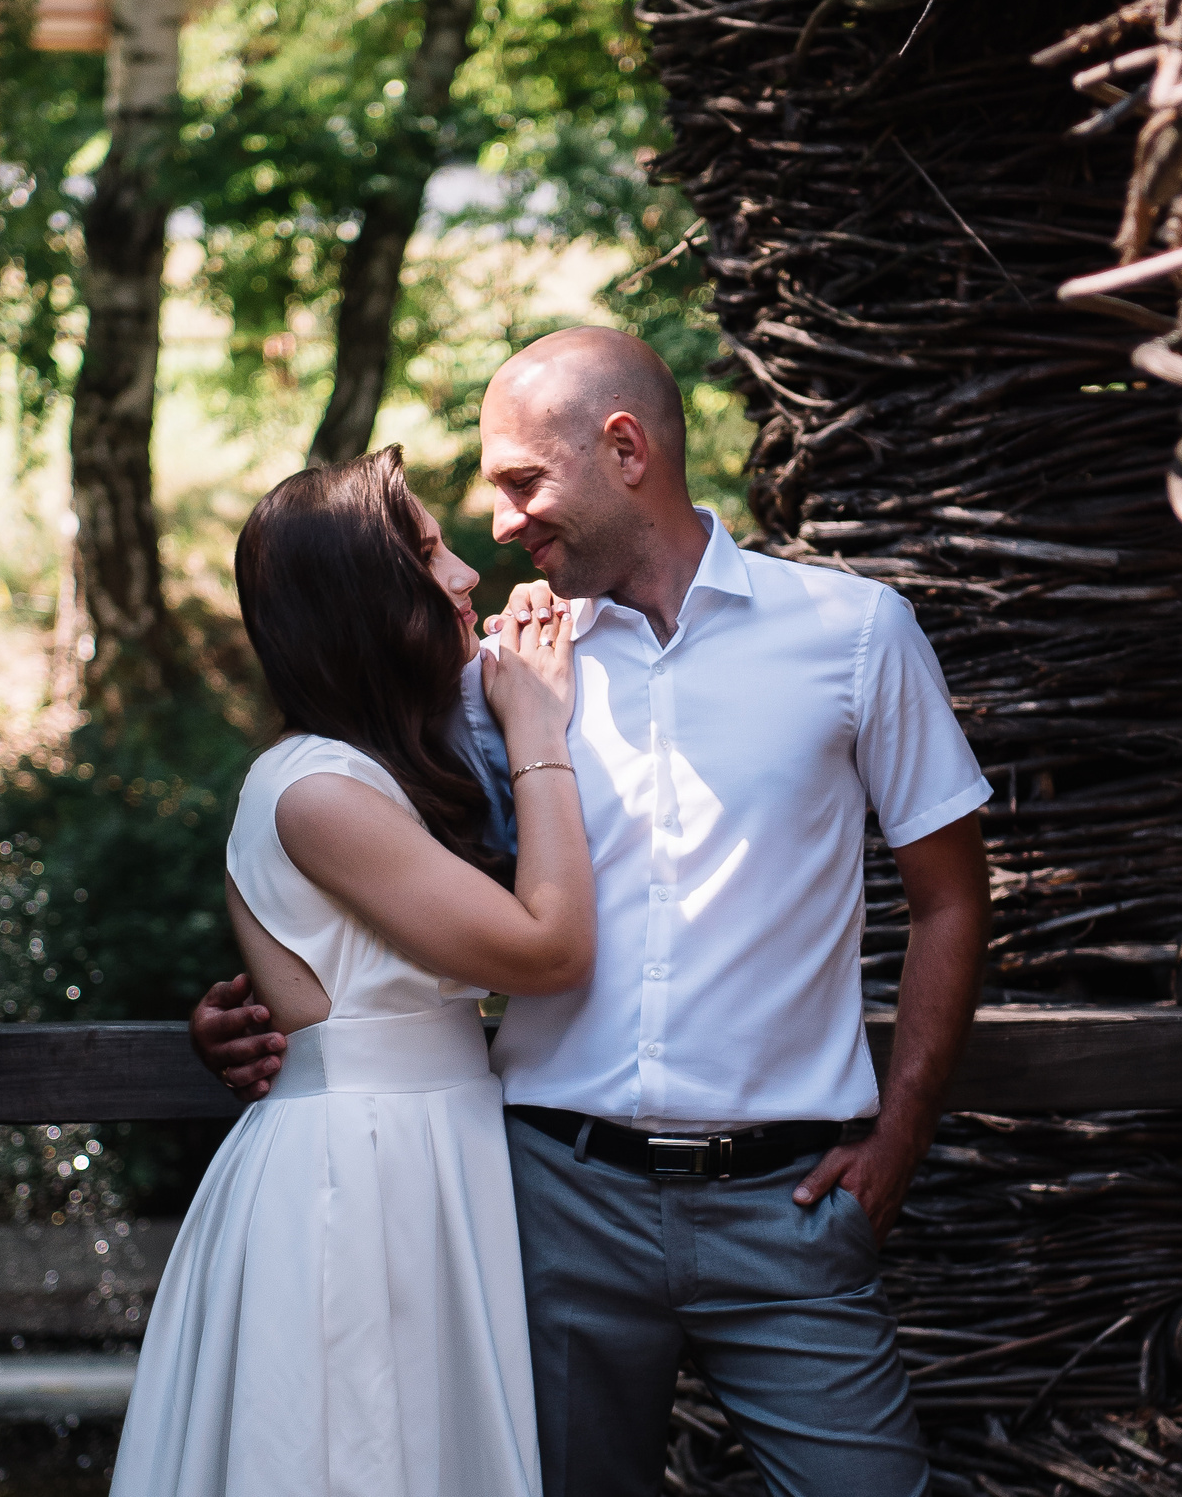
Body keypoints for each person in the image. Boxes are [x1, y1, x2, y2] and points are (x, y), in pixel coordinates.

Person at [193, 328, 993, 1497]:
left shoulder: (854, 635)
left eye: (521, 481)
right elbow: (353, 873)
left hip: (789, 1205)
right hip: (545, 1201)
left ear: (624, 448)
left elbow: (950, 895)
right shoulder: (495, 678)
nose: (501, 522)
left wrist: (902, 1131)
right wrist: (262, 1017)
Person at [112, 446, 593, 1496]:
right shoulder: (315, 788)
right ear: (363, 602)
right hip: (361, 1172)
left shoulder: (394, 771)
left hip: (431, 1150)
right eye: (429, 552)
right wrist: (540, 727)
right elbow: (549, 949)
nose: (466, 573)